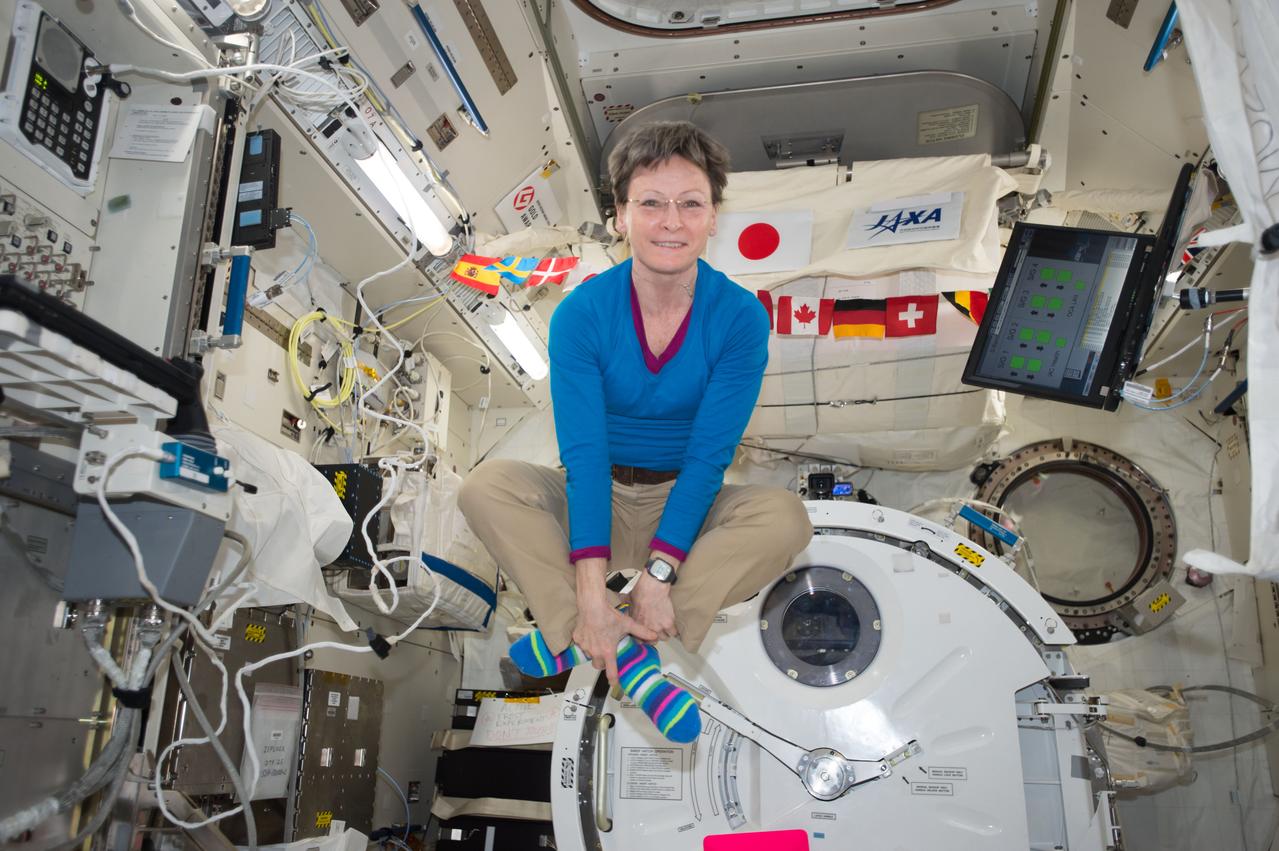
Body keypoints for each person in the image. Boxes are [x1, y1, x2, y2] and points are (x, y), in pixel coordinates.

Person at [458, 121, 812, 742]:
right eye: (650, 203)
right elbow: (586, 455)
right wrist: (591, 589)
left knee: (786, 519)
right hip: (594, 498)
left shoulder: (738, 319)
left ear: (712, 218)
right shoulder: (581, 315)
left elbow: (709, 458)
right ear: (621, 216)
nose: (670, 221)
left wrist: (660, 573)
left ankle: (621, 634)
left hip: (687, 505)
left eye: (690, 204)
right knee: (486, 486)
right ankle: (609, 642)